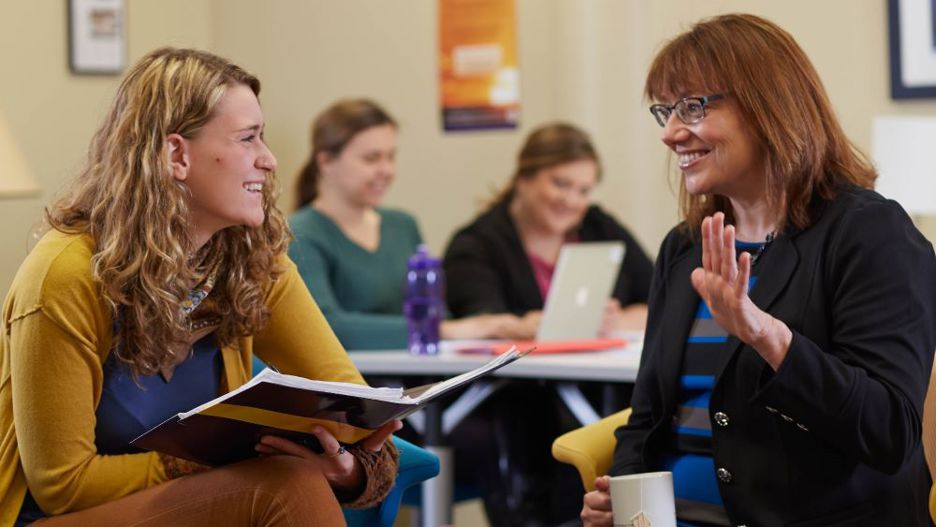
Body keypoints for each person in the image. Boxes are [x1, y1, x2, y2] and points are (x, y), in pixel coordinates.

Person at [0, 48, 401, 527]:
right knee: (283, 484)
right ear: (176, 155)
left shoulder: (252, 261)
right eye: (248, 138)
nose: (270, 160)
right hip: (54, 517)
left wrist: (347, 468)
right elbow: (61, 487)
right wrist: (231, 459)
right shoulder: (64, 275)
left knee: (294, 479)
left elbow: (356, 412)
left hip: (188, 505)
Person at [581, 14, 936, 527]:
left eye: (694, 107)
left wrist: (766, 335)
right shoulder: (684, 248)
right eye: (666, 111)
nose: (672, 133)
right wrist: (626, 505)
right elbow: (646, 420)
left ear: (770, 106)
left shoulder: (870, 235)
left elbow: (889, 432)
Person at [288, 98, 531, 350]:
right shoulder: (302, 234)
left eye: (391, 157)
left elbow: (437, 311)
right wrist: (440, 330)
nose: (387, 170)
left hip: (419, 374)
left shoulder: (402, 225)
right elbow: (325, 327)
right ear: (325, 162)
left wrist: (495, 325)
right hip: (354, 383)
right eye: (372, 158)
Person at [443, 122, 654, 337]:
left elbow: (660, 298)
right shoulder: (475, 245)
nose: (572, 201)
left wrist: (618, 322)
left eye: (583, 191)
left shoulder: (598, 226)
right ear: (524, 178)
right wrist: (521, 326)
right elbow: (480, 323)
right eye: (561, 184)